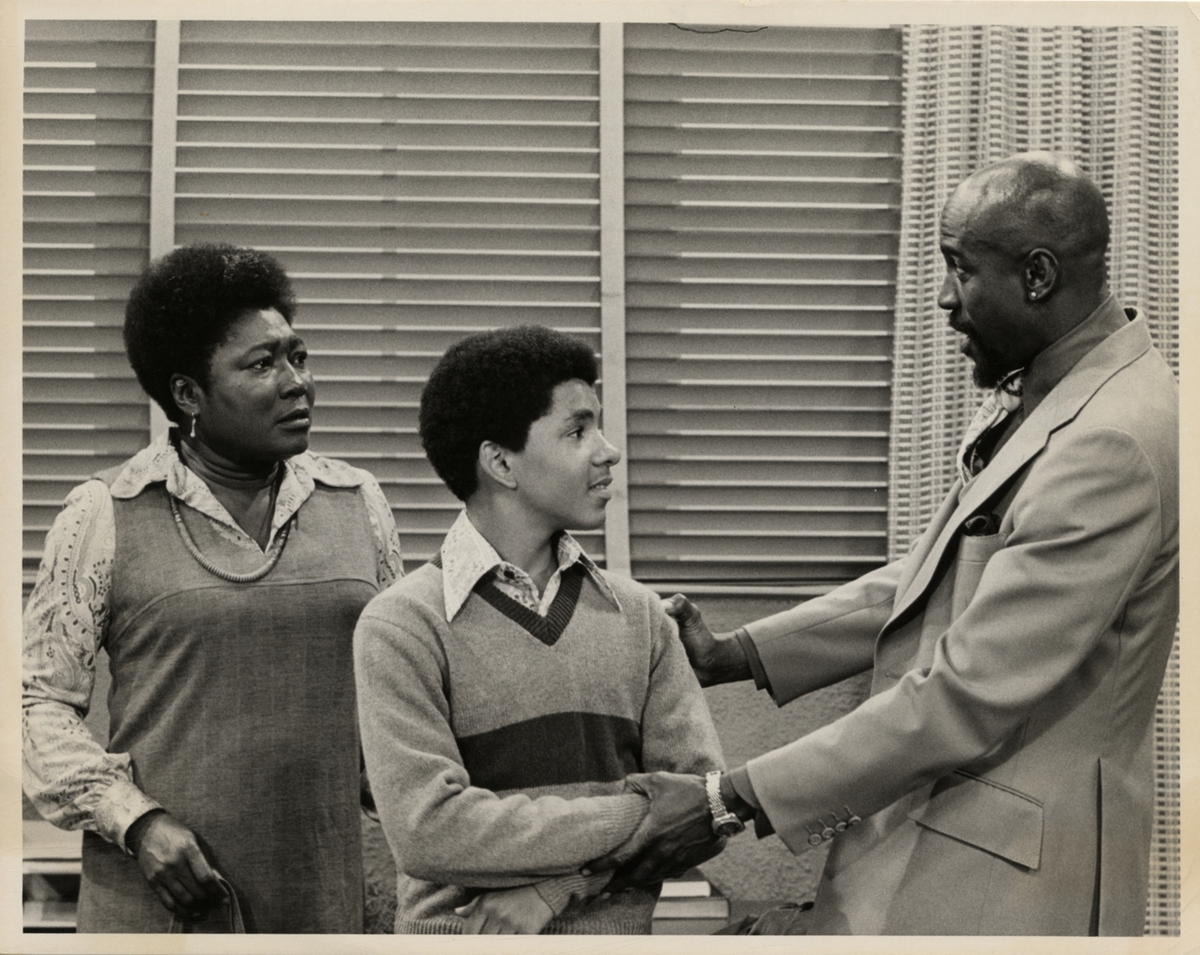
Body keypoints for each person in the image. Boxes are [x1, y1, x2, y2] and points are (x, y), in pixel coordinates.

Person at [589, 153, 1179, 936]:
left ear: (1037, 276)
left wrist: (730, 797)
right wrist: (738, 653)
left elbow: (966, 690)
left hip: (1014, 882)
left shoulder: (1110, 441)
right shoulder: (1058, 387)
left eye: (959, 269)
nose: (943, 299)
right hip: (959, 840)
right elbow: (944, 572)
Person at [22, 244, 403, 932]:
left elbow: (406, 691)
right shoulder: (105, 512)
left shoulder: (359, 500)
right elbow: (34, 704)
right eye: (262, 364)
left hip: (334, 899)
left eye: (298, 356)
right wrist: (137, 822)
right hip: (167, 906)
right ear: (188, 394)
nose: (297, 382)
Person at [353, 324, 725, 935]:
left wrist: (560, 887)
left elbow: (702, 811)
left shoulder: (641, 616)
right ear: (501, 461)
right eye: (578, 431)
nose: (608, 451)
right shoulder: (401, 626)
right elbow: (430, 833)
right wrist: (637, 816)